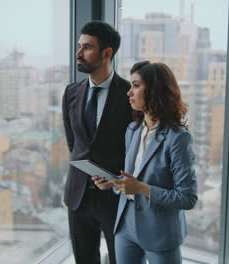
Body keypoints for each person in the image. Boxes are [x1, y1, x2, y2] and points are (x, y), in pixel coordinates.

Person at [93, 61, 198, 264]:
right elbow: (131, 182)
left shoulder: (178, 138)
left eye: (136, 85)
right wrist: (114, 183)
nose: (129, 92)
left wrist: (141, 188)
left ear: (155, 90)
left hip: (160, 232)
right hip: (125, 227)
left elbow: (187, 198)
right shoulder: (133, 130)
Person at [62, 21, 132, 264]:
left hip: (116, 199)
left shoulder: (129, 95)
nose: (78, 53)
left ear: (107, 53)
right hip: (78, 197)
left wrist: (115, 178)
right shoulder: (71, 92)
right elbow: (75, 143)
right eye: (79, 47)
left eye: (87, 47)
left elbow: (136, 150)